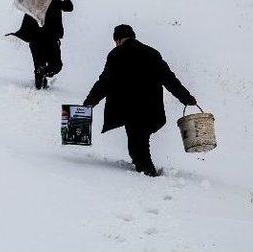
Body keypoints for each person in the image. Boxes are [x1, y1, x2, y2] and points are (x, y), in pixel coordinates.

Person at [83, 24, 197, 177]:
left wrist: (89, 102)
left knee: (138, 144)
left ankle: (147, 173)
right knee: (140, 140)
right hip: (152, 108)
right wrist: (186, 97)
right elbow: (169, 79)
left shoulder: (116, 55)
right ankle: (144, 167)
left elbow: (104, 82)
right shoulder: (152, 53)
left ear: (117, 40)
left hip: (130, 109)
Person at [7, 0, 73, 89]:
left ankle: (40, 77)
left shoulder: (32, 1)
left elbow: (20, 3)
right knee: (56, 65)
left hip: (35, 39)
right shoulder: (54, 0)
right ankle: (43, 73)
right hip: (50, 39)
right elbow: (69, 7)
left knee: (39, 64)